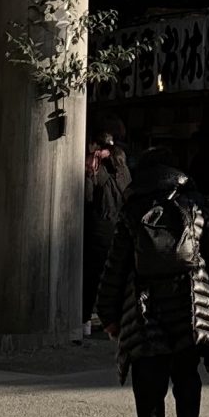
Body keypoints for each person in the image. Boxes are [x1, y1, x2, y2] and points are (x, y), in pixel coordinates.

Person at [96, 145, 209, 417]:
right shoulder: (194, 204)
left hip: (144, 309)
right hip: (190, 305)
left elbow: (114, 268)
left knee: (149, 388)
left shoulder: (132, 210)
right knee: (186, 377)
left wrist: (109, 315)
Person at [80, 130, 130, 340]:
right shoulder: (122, 168)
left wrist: (89, 175)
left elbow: (88, 198)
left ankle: (85, 322)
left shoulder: (97, 167)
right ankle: (113, 320)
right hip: (118, 228)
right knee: (116, 277)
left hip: (99, 229)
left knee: (92, 278)